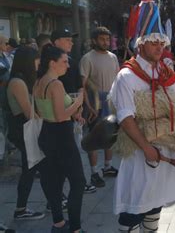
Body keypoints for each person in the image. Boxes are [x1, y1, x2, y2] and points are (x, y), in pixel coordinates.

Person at [110, 0, 175, 233]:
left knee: (155, 201)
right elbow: (125, 116)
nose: (159, 47)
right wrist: (146, 147)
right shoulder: (126, 76)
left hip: (165, 145)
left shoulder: (167, 73)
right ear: (141, 44)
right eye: (153, 42)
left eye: (161, 43)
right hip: (139, 151)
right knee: (134, 203)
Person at [34, 45, 86, 233]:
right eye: (64, 62)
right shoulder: (55, 84)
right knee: (78, 182)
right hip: (61, 135)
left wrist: (72, 112)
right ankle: (75, 228)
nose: (68, 66)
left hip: (47, 133)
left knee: (54, 181)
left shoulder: (39, 81)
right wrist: (78, 103)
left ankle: (58, 223)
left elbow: (43, 112)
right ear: (52, 63)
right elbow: (59, 114)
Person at [52, 29, 96, 195]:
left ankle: (78, 182)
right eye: (67, 40)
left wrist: (79, 106)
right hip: (58, 118)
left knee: (75, 150)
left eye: (72, 40)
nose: (71, 43)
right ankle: (59, 194)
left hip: (74, 114)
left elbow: (79, 85)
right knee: (62, 156)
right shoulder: (49, 63)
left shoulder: (72, 61)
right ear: (56, 42)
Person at [7, 46, 46, 220]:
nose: (39, 64)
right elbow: (28, 111)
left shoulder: (23, 80)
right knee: (32, 168)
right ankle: (21, 209)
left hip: (25, 129)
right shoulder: (17, 82)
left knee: (35, 168)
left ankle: (53, 201)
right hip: (22, 130)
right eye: (37, 61)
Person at [80, 27, 120, 189]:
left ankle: (108, 166)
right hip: (94, 101)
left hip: (111, 100)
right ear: (94, 40)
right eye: (102, 39)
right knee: (95, 138)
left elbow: (118, 80)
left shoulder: (113, 57)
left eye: (107, 39)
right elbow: (82, 86)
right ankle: (94, 172)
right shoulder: (87, 58)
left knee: (111, 135)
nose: (105, 42)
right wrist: (89, 106)